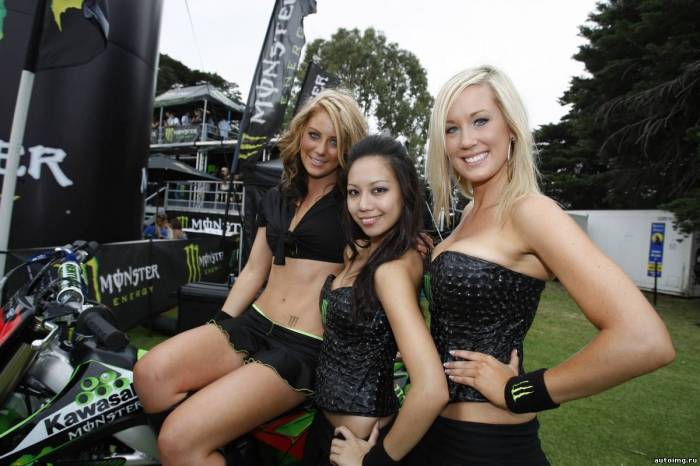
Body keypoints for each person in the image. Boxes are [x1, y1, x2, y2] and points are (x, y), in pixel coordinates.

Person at [404, 66, 675, 465]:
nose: (466, 140)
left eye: (480, 121)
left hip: (486, 447)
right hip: (428, 432)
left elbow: (645, 340)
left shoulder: (531, 211)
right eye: (451, 128)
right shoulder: (469, 214)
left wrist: (521, 391)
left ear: (511, 127)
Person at [133, 89, 369, 466]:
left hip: (302, 347)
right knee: (150, 374)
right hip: (253, 325)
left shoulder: (355, 205)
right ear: (300, 133)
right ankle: (222, 450)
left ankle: (199, 448)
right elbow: (255, 270)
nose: (321, 149)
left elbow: (378, 266)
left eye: (334, 141)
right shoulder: (277, 196)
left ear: (348, 148)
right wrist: (221, 324)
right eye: (314, 135)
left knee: (179, 439)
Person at [300, 135, 448, 466]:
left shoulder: (392, 270)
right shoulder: (360, 249)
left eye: (379, 190)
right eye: (354, 192)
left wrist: (374, 461)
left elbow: (432, 388)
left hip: (358, 443)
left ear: (405, 192)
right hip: (325, 430)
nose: (363, 205)